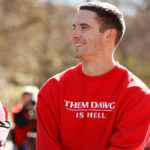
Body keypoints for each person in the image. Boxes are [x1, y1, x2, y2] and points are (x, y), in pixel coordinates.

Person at [36, 2, 150, 150]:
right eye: (74, 27)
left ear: (109, 35)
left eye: (84, 27)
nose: (74, 34)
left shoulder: (137, 95)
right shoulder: (53, 88)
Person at [11, 86, 39, 150]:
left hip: (30, 144)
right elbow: (20, 123)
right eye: (25, 98)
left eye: (29, 98)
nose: (27, 101)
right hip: (18, 144)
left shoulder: (35, 112)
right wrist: (32, 117)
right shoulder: (17, 110)